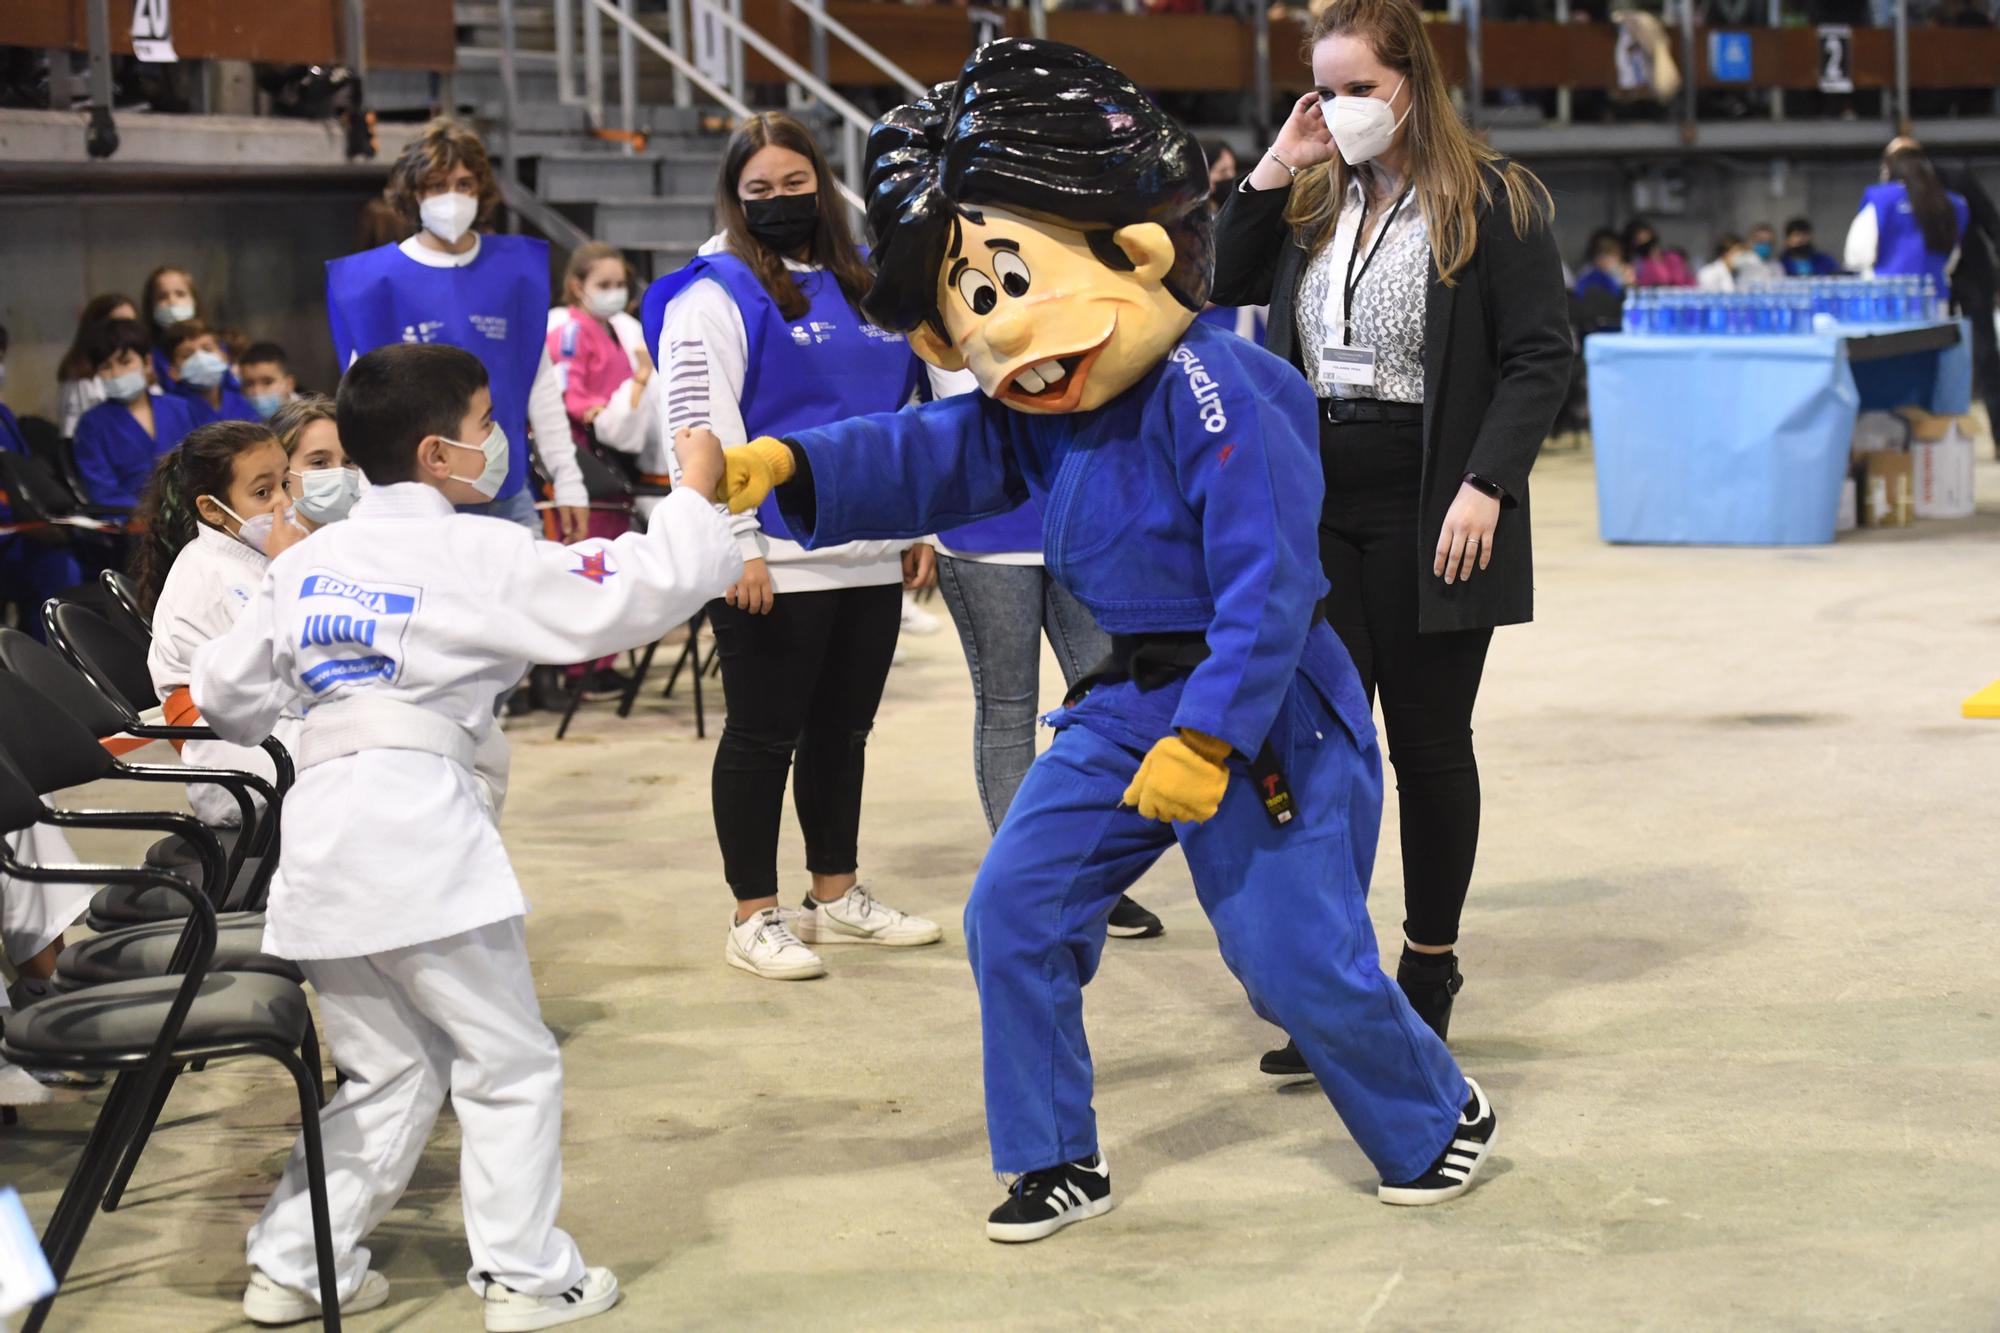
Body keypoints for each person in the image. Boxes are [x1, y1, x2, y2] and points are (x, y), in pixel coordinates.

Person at [717, 36, 1500, 1241]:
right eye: (970, 300)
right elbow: (938, 450)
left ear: (1129, 251)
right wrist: (795, 466)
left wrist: (1211, 738)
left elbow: (1270, 587)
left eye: (1013, 281)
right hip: (1120, 699)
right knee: (1014, 912)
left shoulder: (1221, 385)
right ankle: (1051, 1157)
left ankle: (1435, 1113)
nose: (994, 327)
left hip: (1262, 706)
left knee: (1290, 960)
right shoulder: (1045, 408)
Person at [191, 341, 741, 1328]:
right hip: (417, 834)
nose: (496, 445)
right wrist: (695, 494)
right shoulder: (471, 552)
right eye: (486, 427)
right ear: (441, 453)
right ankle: (529, 1276)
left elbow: (227, 696)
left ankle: (294, 1262)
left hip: (319, 845)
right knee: (508, 1060)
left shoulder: (308, 559)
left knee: (391, 1066)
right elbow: (629, 590)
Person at [1213, 0, 1568, 1072]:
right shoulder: (1316, 197)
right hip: (1317, 508)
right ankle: (1331, 983)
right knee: (1317, 751)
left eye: (1358, 88)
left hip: (1435, 503)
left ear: (1412, 80)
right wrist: (1280, 158)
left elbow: (1539, 357)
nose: (1338, 109)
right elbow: (1224, 278)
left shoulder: (1491, 200)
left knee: (1424, 744)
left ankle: (1427, 965)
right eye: (1322, 89)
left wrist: (1487, 484)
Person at [640, 112, 946, 981]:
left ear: (824, 181)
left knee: (843, 732)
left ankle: (835, 892)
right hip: (771, 554)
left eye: (795, 184)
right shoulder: (716, 291)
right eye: (759, 191)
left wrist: (914, 520)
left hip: (868, 544)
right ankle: (752, 912)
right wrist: (738, 545)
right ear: (735, 199)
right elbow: (699, 425)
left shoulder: (867, 286)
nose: (780, 202)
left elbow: (909, 412)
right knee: (762, 735)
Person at [325, 118, 590, 540]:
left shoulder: (516, 271)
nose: (452, 197)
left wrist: (569, 478)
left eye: (464, 184)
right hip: (413, 507)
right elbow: (360, 409)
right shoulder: (370, 283)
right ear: (414, 193)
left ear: (480, 191)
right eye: (436, 185)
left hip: (506, 496)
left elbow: (537, 383)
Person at [131, 420, 305, 829]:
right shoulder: (207, 576)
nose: (282, 502)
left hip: (274, 732)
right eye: (263, 492)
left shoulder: (254, 556)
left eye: (285, 484)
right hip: (235, 762)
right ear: (211, 508)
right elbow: (277, 668)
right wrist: (289, 573)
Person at [0, 322, 86, 640]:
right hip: (10, 538)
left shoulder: (4, 415)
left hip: (23, 541)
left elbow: (23, 477)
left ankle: (52, 661)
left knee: (61, 567)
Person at [71, 318, 209, 508]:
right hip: (133, 525)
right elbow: (102, 492)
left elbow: (206, 465)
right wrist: (147, 515)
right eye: (106, 367)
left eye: (125, 362)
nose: (116, 373)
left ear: (147, 362)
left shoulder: (181, 408)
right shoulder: (92, 425)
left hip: (194, 514)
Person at [1846, 140, 1968, 296]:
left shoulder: (1881, 199)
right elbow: (1953, 255)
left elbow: (1857, 254)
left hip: (1887, 295)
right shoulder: (1954, 203)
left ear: (1887, 168)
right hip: (1934, 292)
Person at [56, 293, 139, 437]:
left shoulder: (144, 367)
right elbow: (71, 436)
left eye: (131, 325)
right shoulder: (81, 380)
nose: (125, 333)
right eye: (117, 325)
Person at [161, 320, 260, 422]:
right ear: (173, 371)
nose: (200, 358)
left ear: (224, 357)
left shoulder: (243, 402)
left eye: (207, 349)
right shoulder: (170, 411)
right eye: (187, 355)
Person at [143, 264, 205, 384]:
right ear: (151, 306)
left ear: (194, 300)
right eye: (162, 297)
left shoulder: (214, 347)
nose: (172, 301)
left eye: (180, 294)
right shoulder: (148, 356)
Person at [238, 342, 301, 421]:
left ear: (289, 384)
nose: (257, 392)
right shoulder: (242, 419)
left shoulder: (311, 422)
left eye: (267, 382)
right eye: (249, 384)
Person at [1623, 216, 1694, 286]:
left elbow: (1683, 282)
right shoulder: (1638, 264)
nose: (1641, 239)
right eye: (1636, 238)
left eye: (1643, 234)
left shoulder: (1673, 257)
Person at [1572, 228, 1628, 298]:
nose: (1610, 262)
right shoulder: (1588, 273)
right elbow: (1578, 292)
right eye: (1605, 256)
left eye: (1615, 257)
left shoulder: (1618, 274)